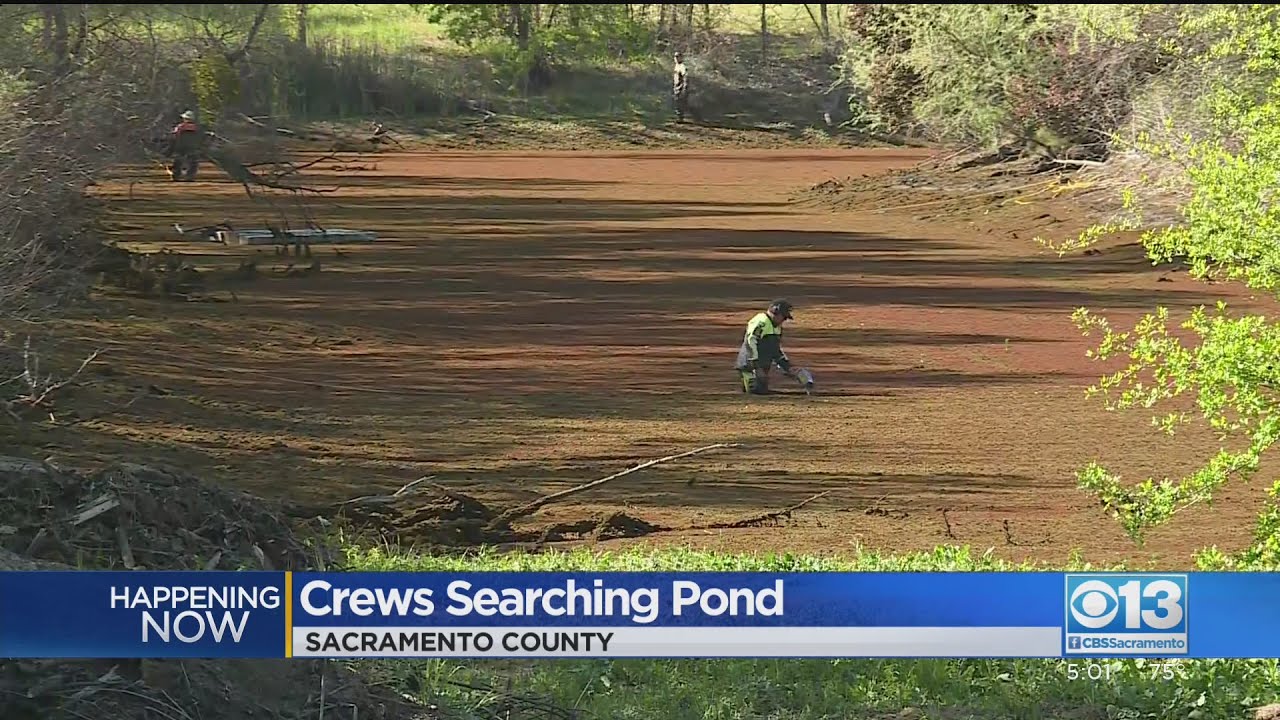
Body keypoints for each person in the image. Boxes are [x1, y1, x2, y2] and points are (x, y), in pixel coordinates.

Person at [735, 299, 814, 395]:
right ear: (776, 312)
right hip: (749, 366)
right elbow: (750, 342)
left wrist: (787, 367)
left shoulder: (776, 327)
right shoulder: (761, 322)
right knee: (755, 392)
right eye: (783, 317)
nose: (783, 320)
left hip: (763, 364)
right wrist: (756, 366)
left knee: (762, 391)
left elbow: (775, 350)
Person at [167, 110, 202, 182]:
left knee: (178, 161)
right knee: (193, 162)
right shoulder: (197, 127)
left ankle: (176, 175)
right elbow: (200, 137)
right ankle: (190, 176)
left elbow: (175, 135)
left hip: (180, 146)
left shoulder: (180, 126)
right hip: (192, 147)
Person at [672, 51, 689, 122]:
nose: (676, 58)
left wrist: (684, 88)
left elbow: (685, 77)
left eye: (678, 57)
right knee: (677, 102)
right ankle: (679, 116)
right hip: (676, 86)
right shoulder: (676, 66)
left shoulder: (682, 66)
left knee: (680, 102)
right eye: (675, 57)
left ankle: (680, 118)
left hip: (680, 87)